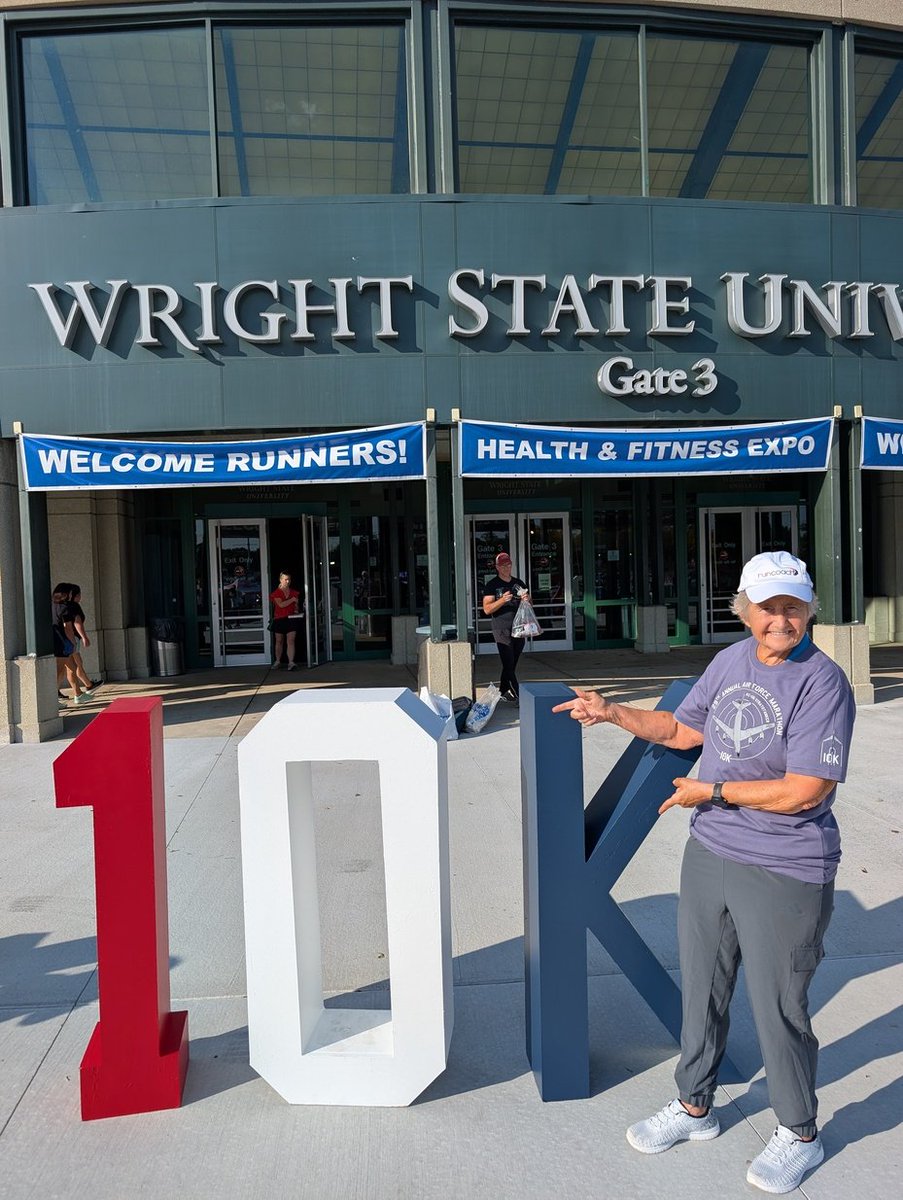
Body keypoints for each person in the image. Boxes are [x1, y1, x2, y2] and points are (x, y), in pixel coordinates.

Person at [553, 551, 856, 1195]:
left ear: (808, 611)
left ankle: (800, 1131)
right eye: (769, 607)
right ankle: (695, 1107)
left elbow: (806, 789)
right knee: (703, 987)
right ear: (744, 609)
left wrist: (712, 792)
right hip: (712, 852)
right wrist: (611, 712)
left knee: (779, 1006)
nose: (781, 619)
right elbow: (682, 730)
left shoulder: (822, 682)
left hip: (786, 863)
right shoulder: (730, 661)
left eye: (793, 607)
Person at [482, 551, 530, 704]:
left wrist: (526, 599)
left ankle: (502, 690)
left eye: (508, 565)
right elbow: (487, 609)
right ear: (497, 567)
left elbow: (530, 605)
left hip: (519, 628)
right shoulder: (492, 585)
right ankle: (519, 696)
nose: (506, 568)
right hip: (501, 628)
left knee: (511, 663)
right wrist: (502, 600)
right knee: (508, 662)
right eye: (503, 565)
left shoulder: (518, 583)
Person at [52, 583, 89, 706]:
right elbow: (67, 627)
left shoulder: (52, 605)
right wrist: (73, 642)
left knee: (71, 668)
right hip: (62, 642)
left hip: (55, 640)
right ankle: (53, 700)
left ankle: (78, 694)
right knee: (60, 670)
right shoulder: (64, 608)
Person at [67, 584, 102, 694]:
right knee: (77, 664)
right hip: (73, 638)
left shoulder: (64, 606)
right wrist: (84, 637)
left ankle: (84, 686)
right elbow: (77, 623)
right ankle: (87, 685)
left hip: (66, 639)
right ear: (77, 595)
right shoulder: (74, 606)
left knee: (70, 666)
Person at [270, 571, 301, 670]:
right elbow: (281, 605)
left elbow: (296, 605)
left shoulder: (294, 592)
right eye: (285, 579)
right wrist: (292, 600)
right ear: (281, 580)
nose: (287, 582)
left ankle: (291, 662)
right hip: (279, 619)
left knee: (291, 640)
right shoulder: (276, 593)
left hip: (291, 618)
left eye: (289, 579)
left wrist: (296, 609)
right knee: (279, 640)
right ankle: (278, 661)